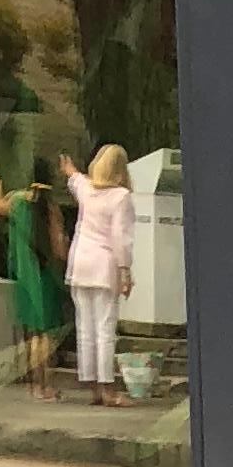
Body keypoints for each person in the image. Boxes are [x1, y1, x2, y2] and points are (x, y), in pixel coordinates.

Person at [61, 144, 137, 406]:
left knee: (85, 328)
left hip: (80, 263)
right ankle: (108, 389)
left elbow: (75, 179)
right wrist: (125, 272)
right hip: (104, 266)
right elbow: (121, 239)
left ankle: (93, 386)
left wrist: (69, 168)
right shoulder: (121, 196)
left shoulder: (87, 190)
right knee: (105, 329)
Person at [0, 167, 69, 395]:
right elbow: (60, 248)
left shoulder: (17, 201)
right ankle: (46, 385)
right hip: (46, 275)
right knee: (46, 336)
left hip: (24, 275)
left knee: (32, 333)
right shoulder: (51, 209)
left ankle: (34, 386)